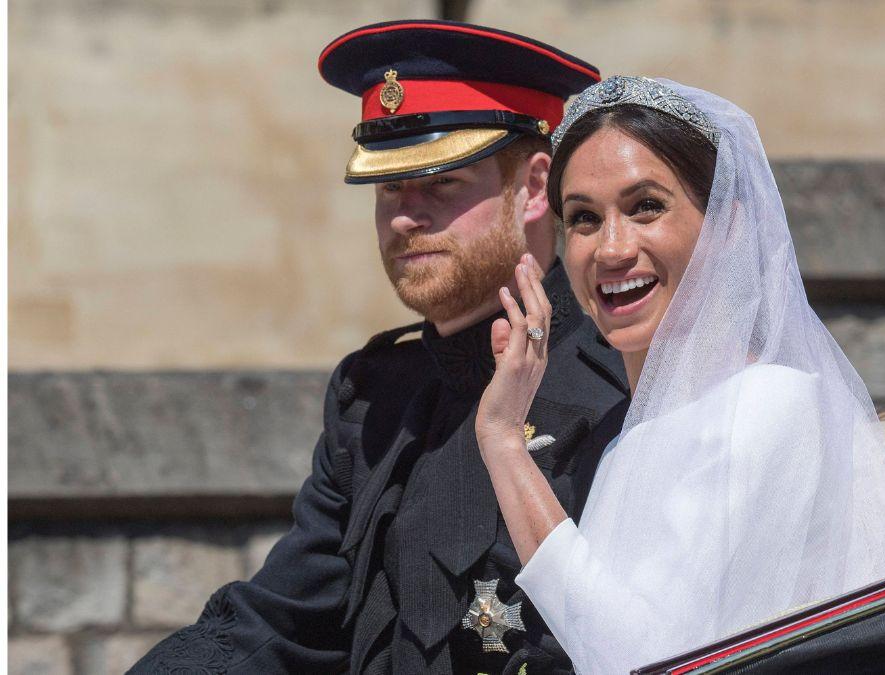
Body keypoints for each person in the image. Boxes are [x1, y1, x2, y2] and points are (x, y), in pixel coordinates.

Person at [132, 22, 629, 674]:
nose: (403, 215)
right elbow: (281, 623)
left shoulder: (622, 384)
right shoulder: (373, 398)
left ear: (535, 189)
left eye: (441, 183)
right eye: (390, 186)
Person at [474, 76, 885, 674]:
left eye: (646, 207)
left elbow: (642, 660)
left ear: (727, 225)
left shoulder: (768, 403)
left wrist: (504, 441)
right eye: (583, 218)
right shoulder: (633, 434)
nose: (611, 248)